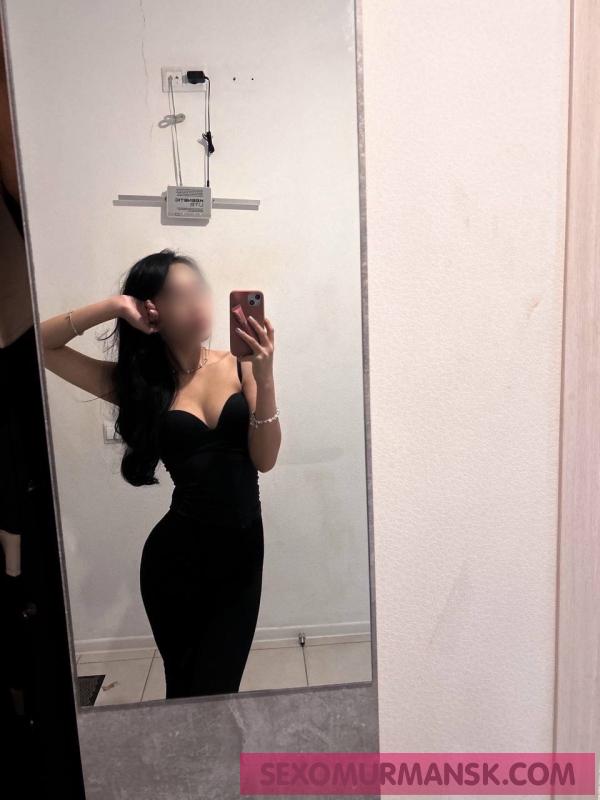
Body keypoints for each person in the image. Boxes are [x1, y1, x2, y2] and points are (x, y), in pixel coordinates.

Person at [39, 249, 281, 698]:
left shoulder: (241, 364)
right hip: (175, 560)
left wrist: (265, 378)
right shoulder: (137, 386)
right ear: (151, 310)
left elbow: (264, 460)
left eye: (198, 290)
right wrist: (115, 306)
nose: (196, 303)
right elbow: (41, 345)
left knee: (218, 690)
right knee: (183, 689)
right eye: (177, 295)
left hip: (241, 556)